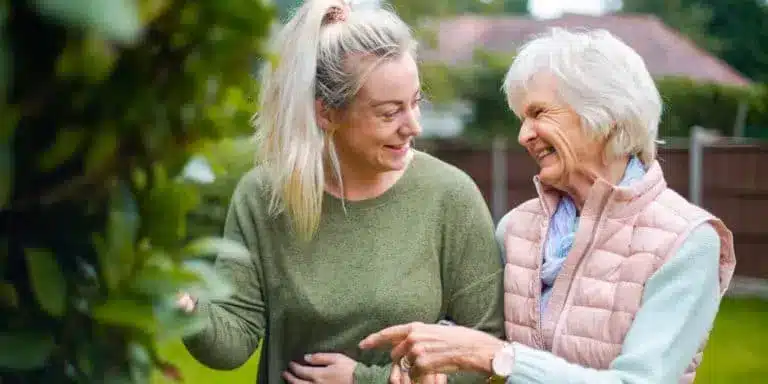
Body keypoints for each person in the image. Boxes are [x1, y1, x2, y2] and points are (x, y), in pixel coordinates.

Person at [359, 27, 737, 384]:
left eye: (539, 113)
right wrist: (421, 353)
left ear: (604, 114)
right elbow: (478, 333)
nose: (523, 135)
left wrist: (501, 358)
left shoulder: (688, 242)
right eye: (521, 118)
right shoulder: (516, 228)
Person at [175, 0, 505, 383]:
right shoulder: (265, 196)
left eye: (415, 103)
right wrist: (183, 307)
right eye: (388, 112)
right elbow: (233, 342)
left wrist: (366, 380)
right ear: (326, 113)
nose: (413, 126)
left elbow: (486, 351)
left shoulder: (451, 196)